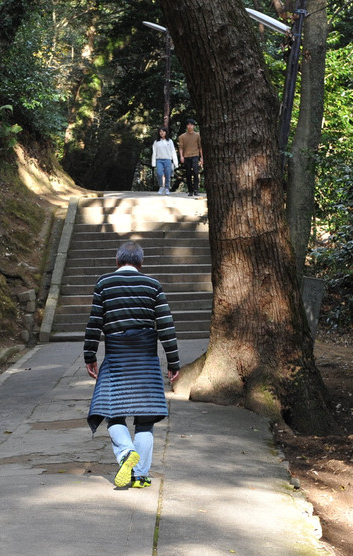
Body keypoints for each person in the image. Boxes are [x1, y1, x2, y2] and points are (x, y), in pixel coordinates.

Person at [84, 241, 180, 489]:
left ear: (117, 262)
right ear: (141, 263)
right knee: (145, 422)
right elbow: (166, 327)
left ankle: (126, 453)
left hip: (116, 361)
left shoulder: (104, 284)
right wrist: (173, 362)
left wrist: (90, 356)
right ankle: (140, 476)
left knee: (113, 415)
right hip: (146, 362)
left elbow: (95, 323)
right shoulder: (153, 286)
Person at [177, 118, 205, 198]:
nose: (190, 126)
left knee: (196, 172)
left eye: (191, 125)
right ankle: (190, 190)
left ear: (194, 126)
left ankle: (196, 190)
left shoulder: (197, 135)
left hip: (195, 155)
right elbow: (181, 147)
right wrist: (181, 156)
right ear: (186, 126)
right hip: (186, 156)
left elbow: (200, 147)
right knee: (188, 174)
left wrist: (201, 157)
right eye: (188, 125)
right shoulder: (182, 136)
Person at [151, 126, 177, 194]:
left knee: (167, 174)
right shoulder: (156, 142)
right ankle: (161, 186)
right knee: (159, 173)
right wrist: (153, 163)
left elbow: (173, 152)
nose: (162, 133)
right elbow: (154, 152)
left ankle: (167, 188)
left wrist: (175, 163)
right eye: (160, 131)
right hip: (159, 160)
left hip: (168, 160)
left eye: (163, 131)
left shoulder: (170, 141)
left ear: (166, 132)